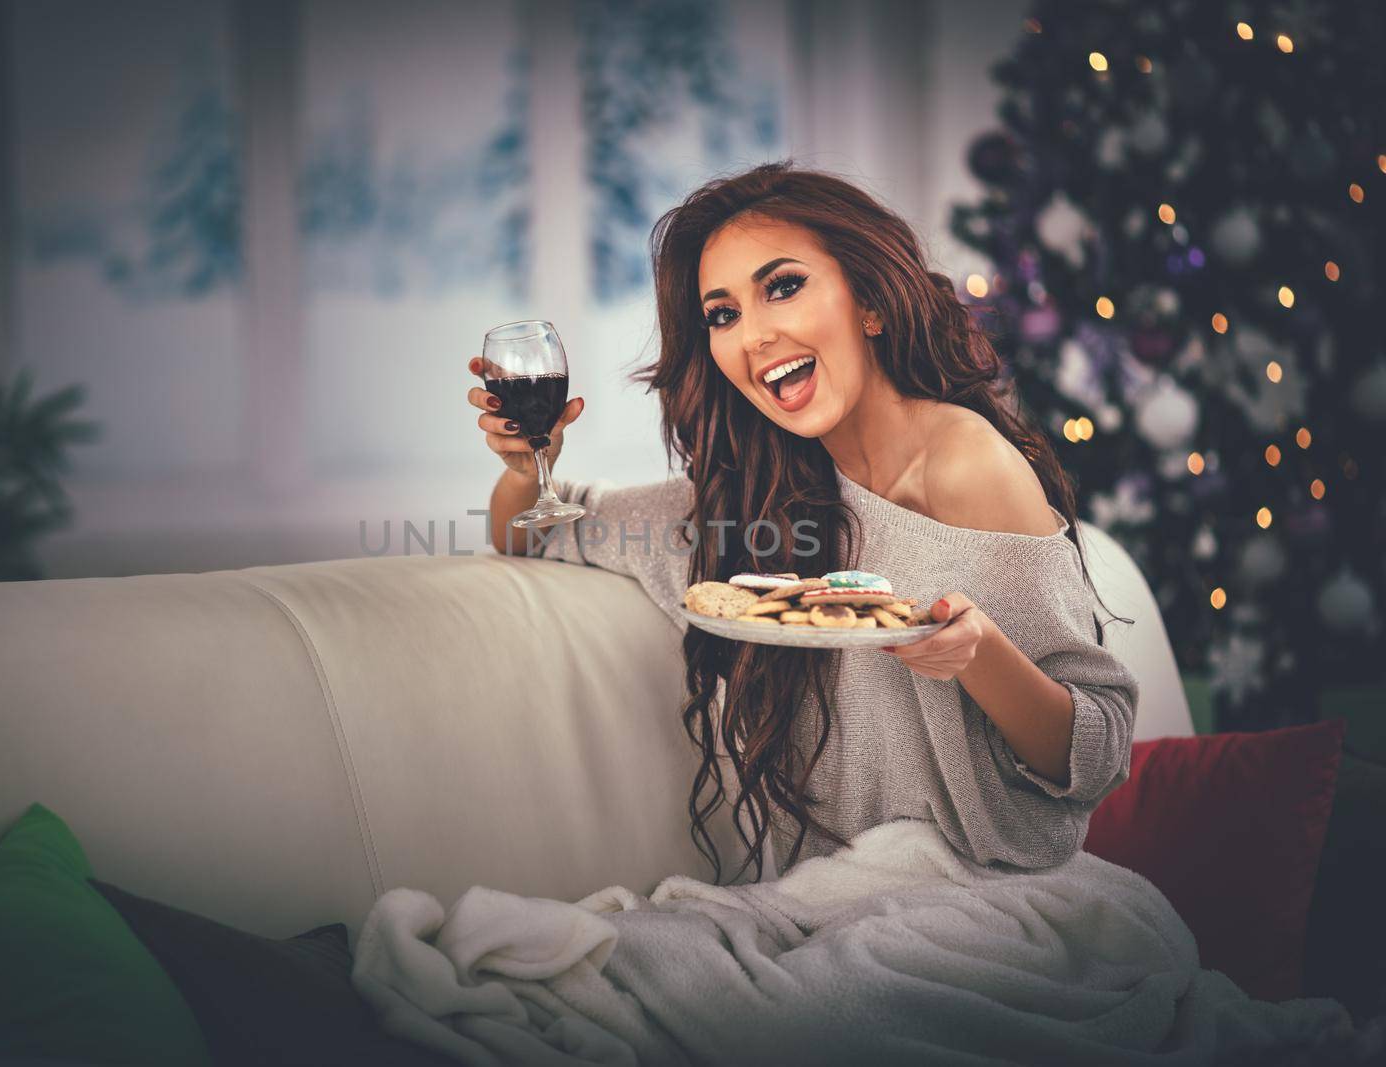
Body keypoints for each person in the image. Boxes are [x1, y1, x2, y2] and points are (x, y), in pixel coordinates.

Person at [464, 161, 1138, 885]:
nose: (754, 336)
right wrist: (527, 463)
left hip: (993, 907)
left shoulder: (968, 467)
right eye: (723, 314)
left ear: (869, 304)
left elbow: (1097, 757)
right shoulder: (752, 505)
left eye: (782, 287)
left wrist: (979, 655)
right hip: (831, 905)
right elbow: (536, 529)